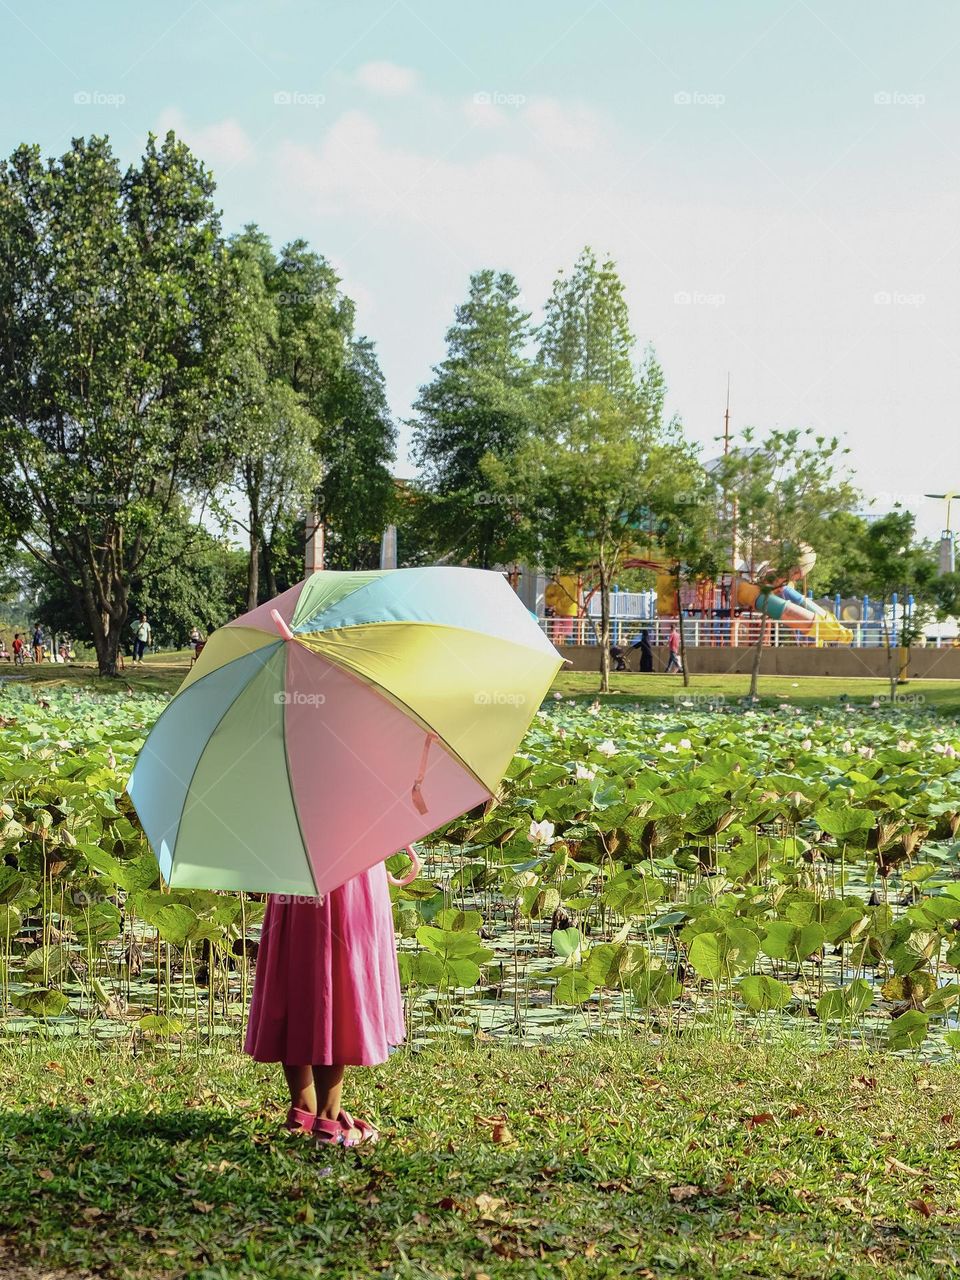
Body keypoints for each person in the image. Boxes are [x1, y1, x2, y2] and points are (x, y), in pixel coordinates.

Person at [244, 868, 405, 1146]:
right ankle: (329, 1121)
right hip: (353, 863)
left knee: (294, 968)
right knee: (338, 974)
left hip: (294, 860)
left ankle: (302, 1111)